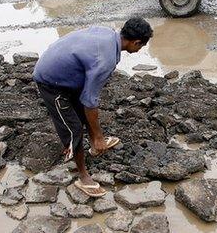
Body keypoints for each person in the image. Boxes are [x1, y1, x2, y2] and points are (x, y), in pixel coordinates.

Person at [33, 18, 153, 197]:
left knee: (83, 112)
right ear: (136, 42)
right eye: (141, 46)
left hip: (67, 73)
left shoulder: (108, 34)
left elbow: (87, 99)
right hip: (50, 81)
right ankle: (83, 175)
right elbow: (90, 102)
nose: (139, 50)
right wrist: (98, 136)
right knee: (73, 129)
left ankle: (95, 146)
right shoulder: (105, 60)